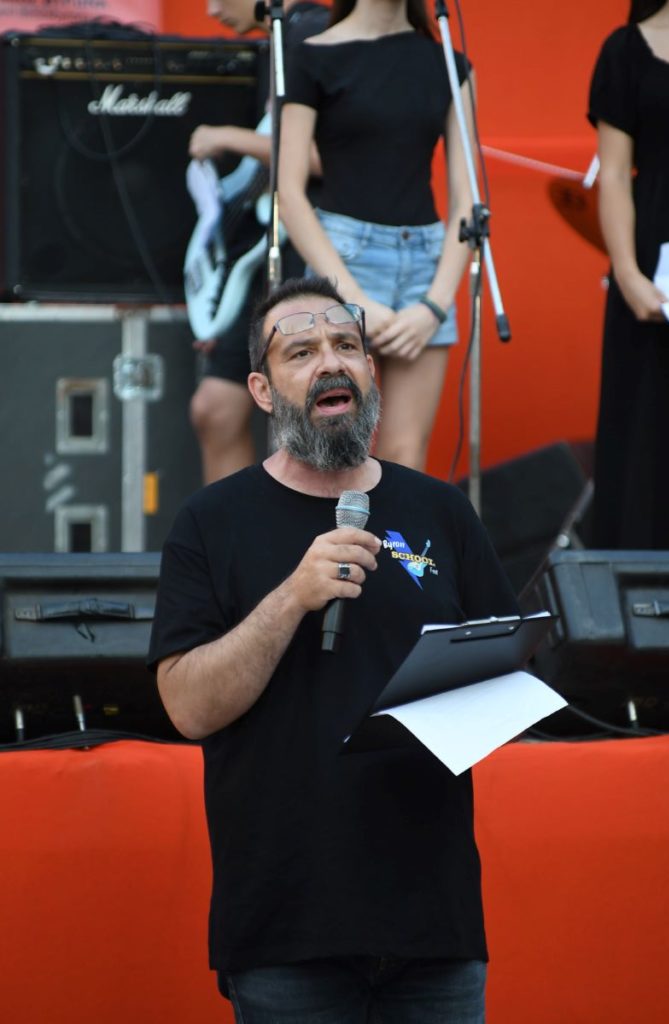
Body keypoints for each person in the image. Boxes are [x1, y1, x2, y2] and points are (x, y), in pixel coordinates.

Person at [148, 274, 519, 1022]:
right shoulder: (211, 523)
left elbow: (503, 672)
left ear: (370, 372)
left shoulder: (441, 511)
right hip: (287, 928)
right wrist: (292, 596)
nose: (331, 361)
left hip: (433, 924)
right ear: (261, 390)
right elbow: (188, 707)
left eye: (346, 345)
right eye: (302, 351)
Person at [278, 0, 476, 473]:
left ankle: (390, 533)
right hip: (344, 258)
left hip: (426, 263)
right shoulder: (312, 56)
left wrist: (434, 306)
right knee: (331, 447)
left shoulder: (448, 62)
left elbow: (467, 202)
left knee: (406, 456)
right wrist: (349, 296)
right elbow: (290, 192)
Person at [188, 0, 329, 483]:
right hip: (263, 254)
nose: (212, 10)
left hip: (307, 252)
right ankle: (232, 529)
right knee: (215, 409)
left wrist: (226, 137)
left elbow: (321, 157)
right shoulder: (276, 41)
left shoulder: (311, 31)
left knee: (306, 420)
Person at [588, 0, 669, 549]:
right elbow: (615, 173)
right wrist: (627, 273)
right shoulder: (625, 50)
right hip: (655, 262)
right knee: (647, 427)